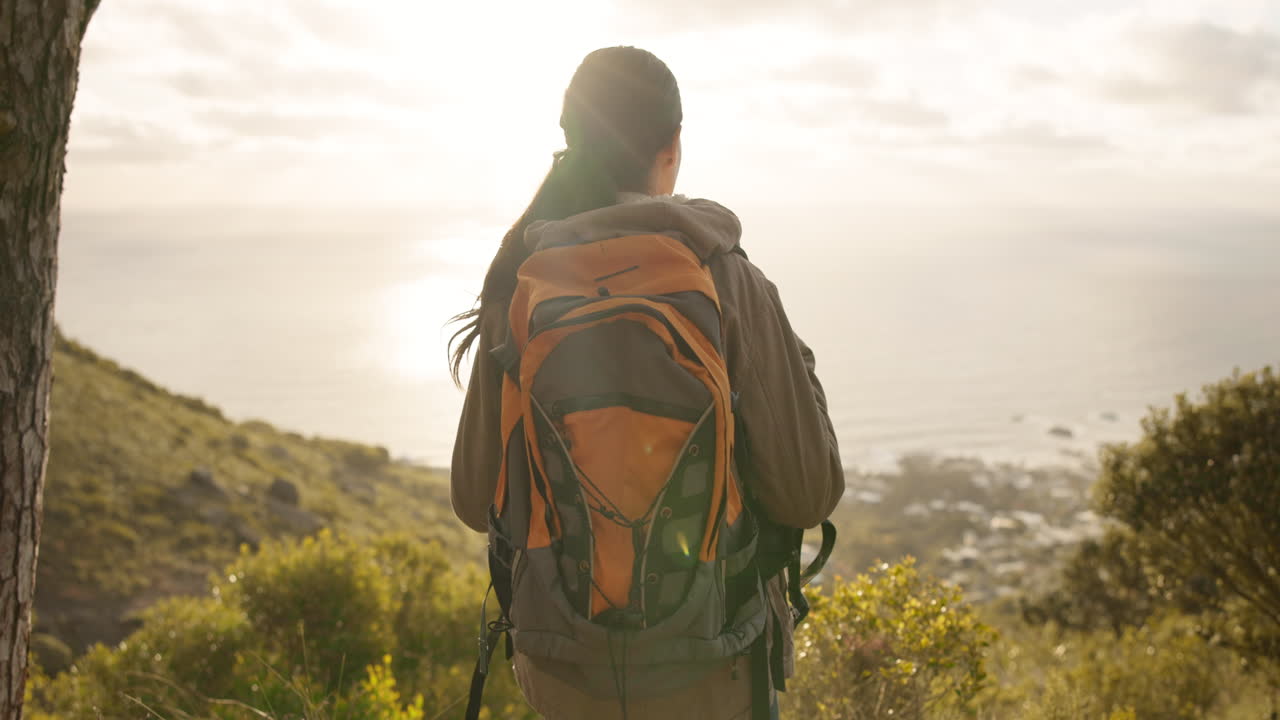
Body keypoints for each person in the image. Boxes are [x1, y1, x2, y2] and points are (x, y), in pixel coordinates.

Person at [449, 46, 843, 720]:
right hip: (708, 665)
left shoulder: (524, 280)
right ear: (672, 146)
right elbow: (807, 491)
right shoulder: (726, 279)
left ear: (573, 141)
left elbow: (470, 496)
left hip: (562, 668)